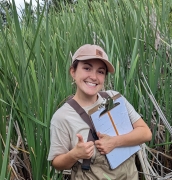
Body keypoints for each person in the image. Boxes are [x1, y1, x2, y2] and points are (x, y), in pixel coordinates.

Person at [48, 44, 152, 180]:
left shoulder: (114, 99)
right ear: (73, 71)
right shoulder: (62, 117)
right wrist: (75, 154)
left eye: (100, 71)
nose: (93, 77)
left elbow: (146, 133)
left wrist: (115, 142)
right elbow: (57, 163)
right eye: (87, 68)